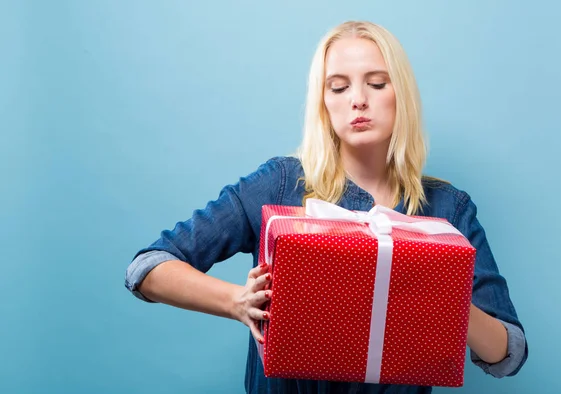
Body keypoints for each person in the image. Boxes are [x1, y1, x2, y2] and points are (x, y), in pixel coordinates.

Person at [125, 20, 528, 394]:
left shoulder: (448, 209)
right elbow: (147, 268)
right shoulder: (280, 183)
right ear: (323, 102)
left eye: (376, 83)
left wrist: (446, 300)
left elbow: (509, 353)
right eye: (338, 87)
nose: (358, 100)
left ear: (400, 94)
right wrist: (237, 302)